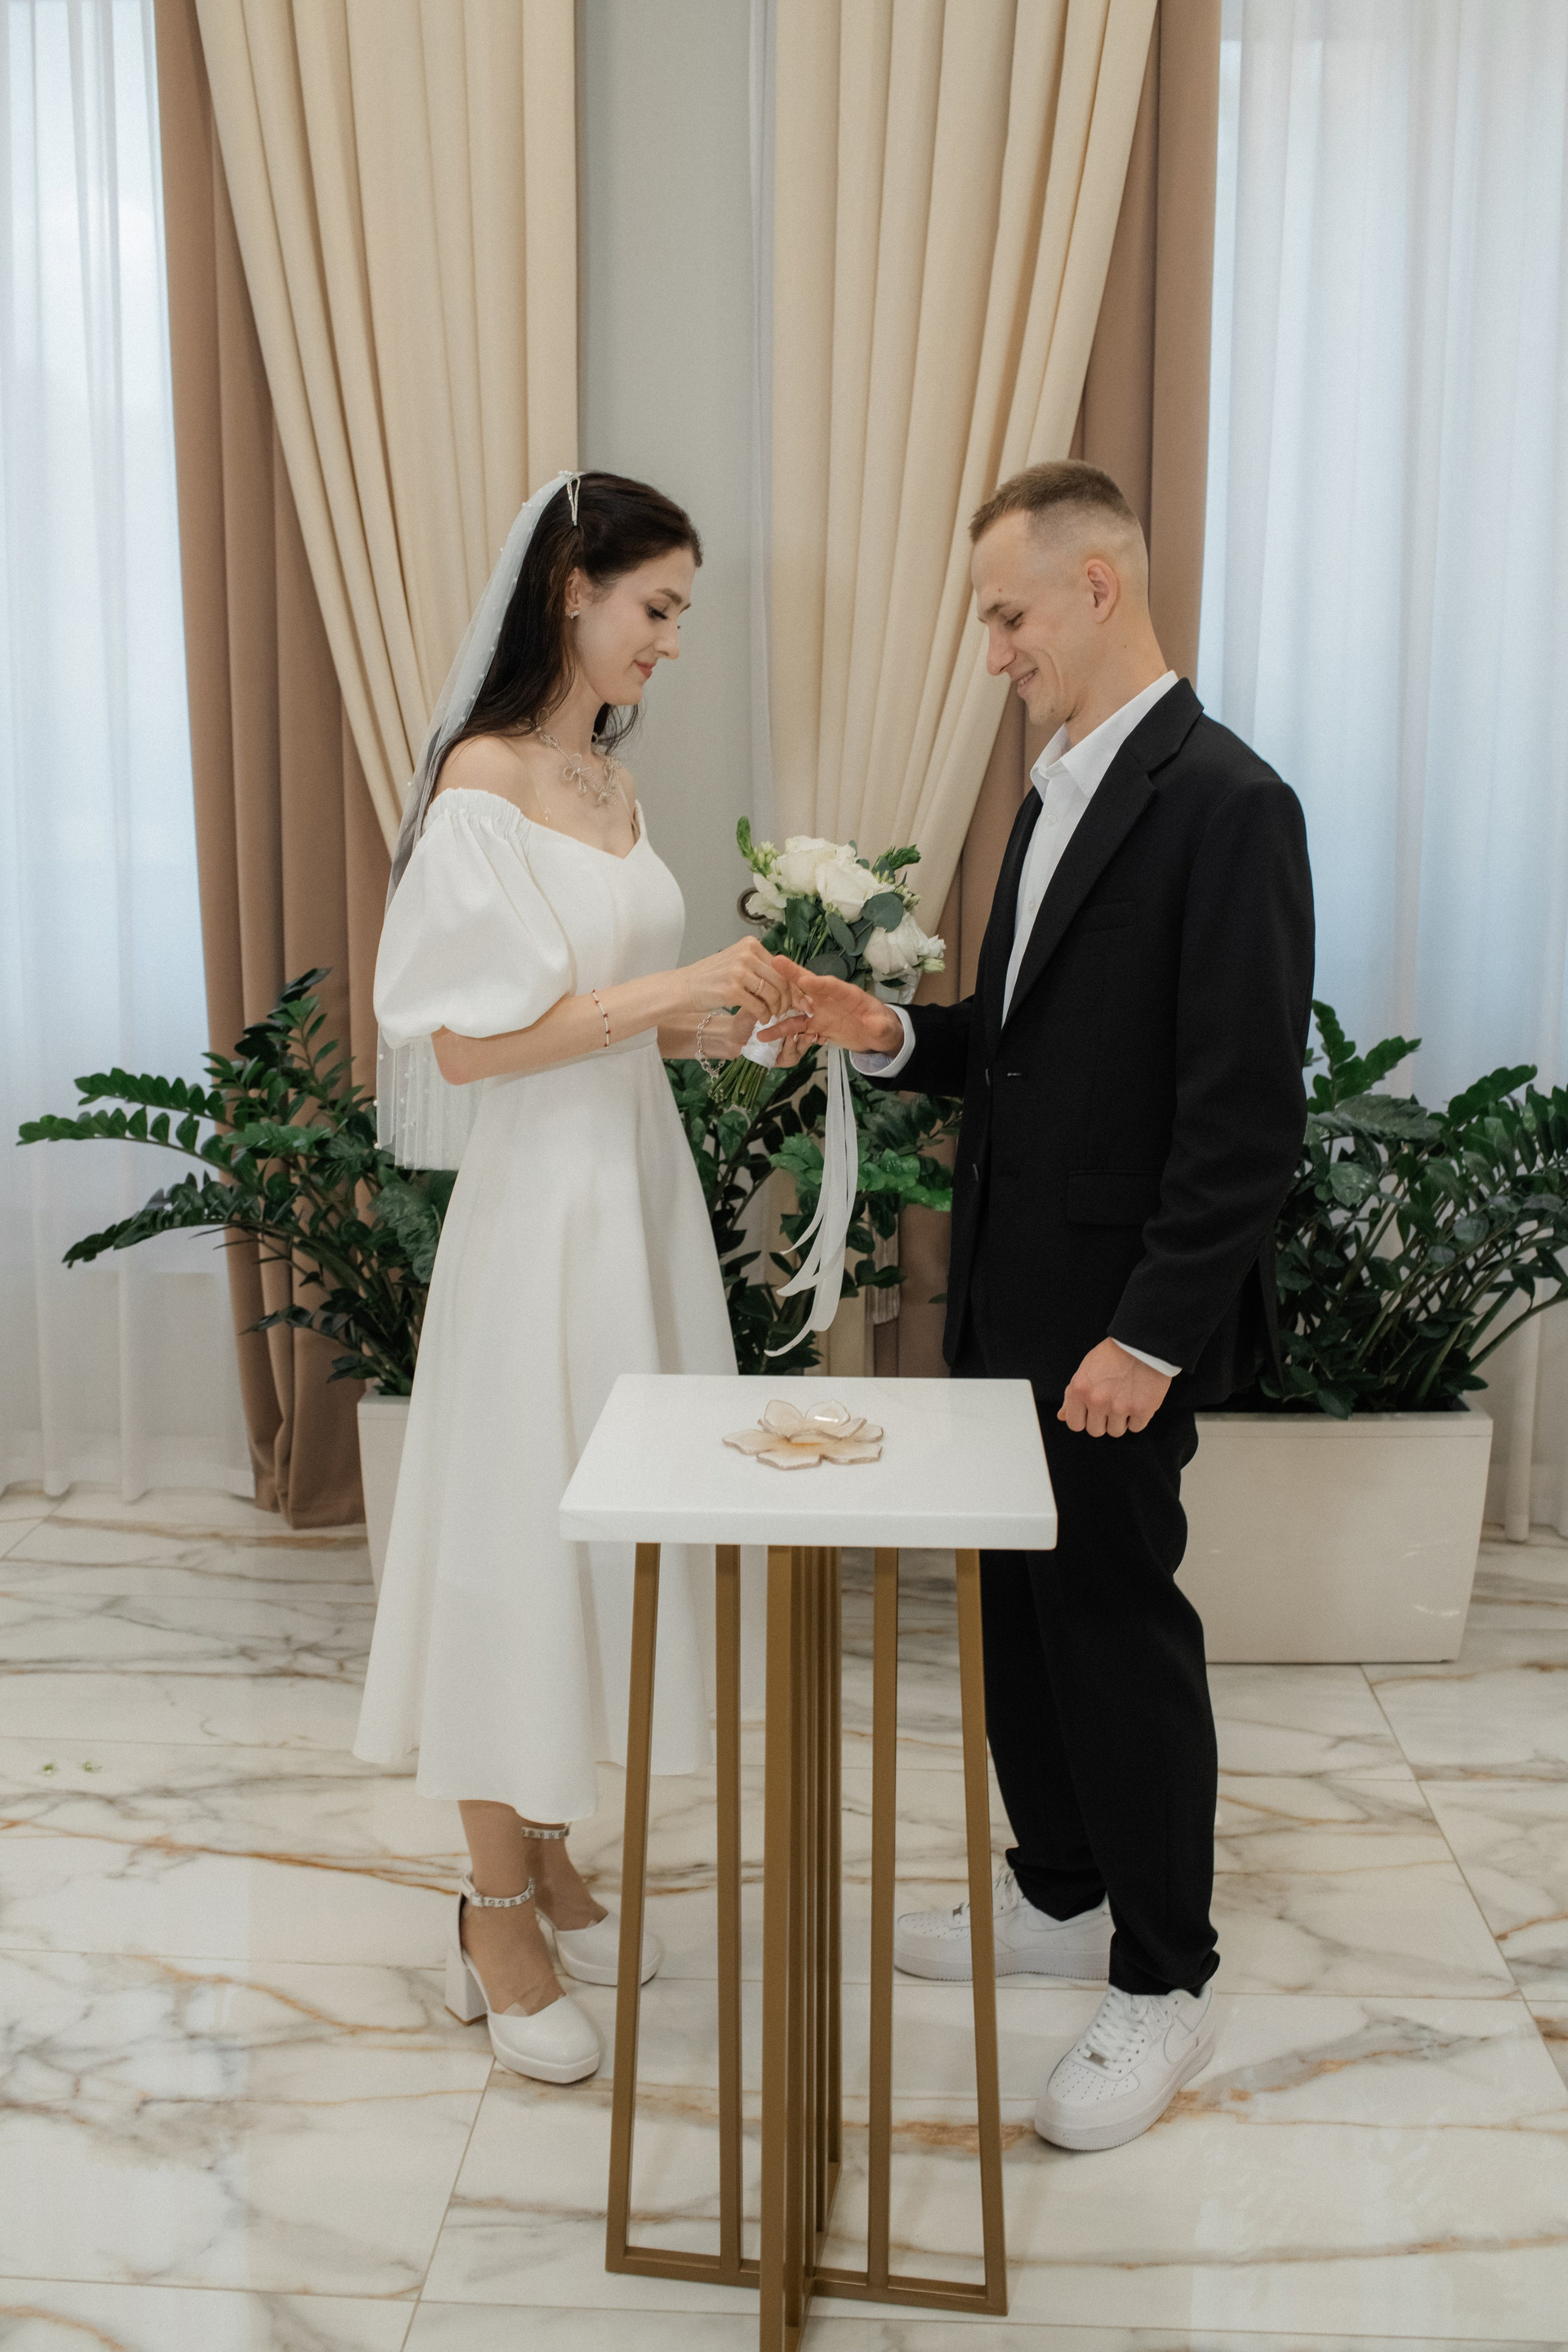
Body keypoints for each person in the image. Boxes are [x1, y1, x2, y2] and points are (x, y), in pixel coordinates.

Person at [764, 459, 1314, 2152]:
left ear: (1097, 586)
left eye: (1007, 614)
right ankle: (1062, 1887)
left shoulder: (1231, 803)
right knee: (1013, 1612)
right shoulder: (1053, 788)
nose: (992, 649)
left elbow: (1242, 1117)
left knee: (1113, 1625)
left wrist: (1147, 1336)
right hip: (1008, 1303)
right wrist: (885, 1031)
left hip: (1112, 1331)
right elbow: (1017, 1050)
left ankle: (1164, 1974)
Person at [354, 471, 795, 2086]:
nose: (671, 640)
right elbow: (473, 1049)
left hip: (635, 1194)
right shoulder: (482, 783)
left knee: (602, 1527)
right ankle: (489, 1913)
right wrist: (668, 993)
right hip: (542, 1212)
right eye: (656, 606)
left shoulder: (609, 782)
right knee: (513, 1532)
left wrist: (734, 1025)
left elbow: (607, 1018)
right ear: (572, 589)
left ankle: (545, 1854)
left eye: (681, 612)